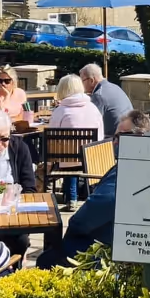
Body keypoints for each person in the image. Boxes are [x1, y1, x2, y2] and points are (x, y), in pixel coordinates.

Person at [36, 110, 150, 268]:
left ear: (139, 139)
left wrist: (74, 223)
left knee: (45, 261)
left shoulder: (128, 170)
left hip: (98, 252)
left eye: (119, 137)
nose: (114, 142)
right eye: (114, 137)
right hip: (113, 246)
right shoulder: (145, 165)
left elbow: (98, 208)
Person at [49, 73, 104, 204]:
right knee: (73, 157)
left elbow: (51, 137)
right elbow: (101, 135)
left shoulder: (60, 110)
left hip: (67, 159)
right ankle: (81, 196)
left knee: (67, 156)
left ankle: (71, 197)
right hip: (91, 157)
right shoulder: (93, 108)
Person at [79, 63, 133, 137]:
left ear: (91, 80)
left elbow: (91, 123)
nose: (80, 84)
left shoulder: (98, 96)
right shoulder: (115, 87)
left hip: (113, 140)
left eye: (82, 81)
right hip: (130, 135)